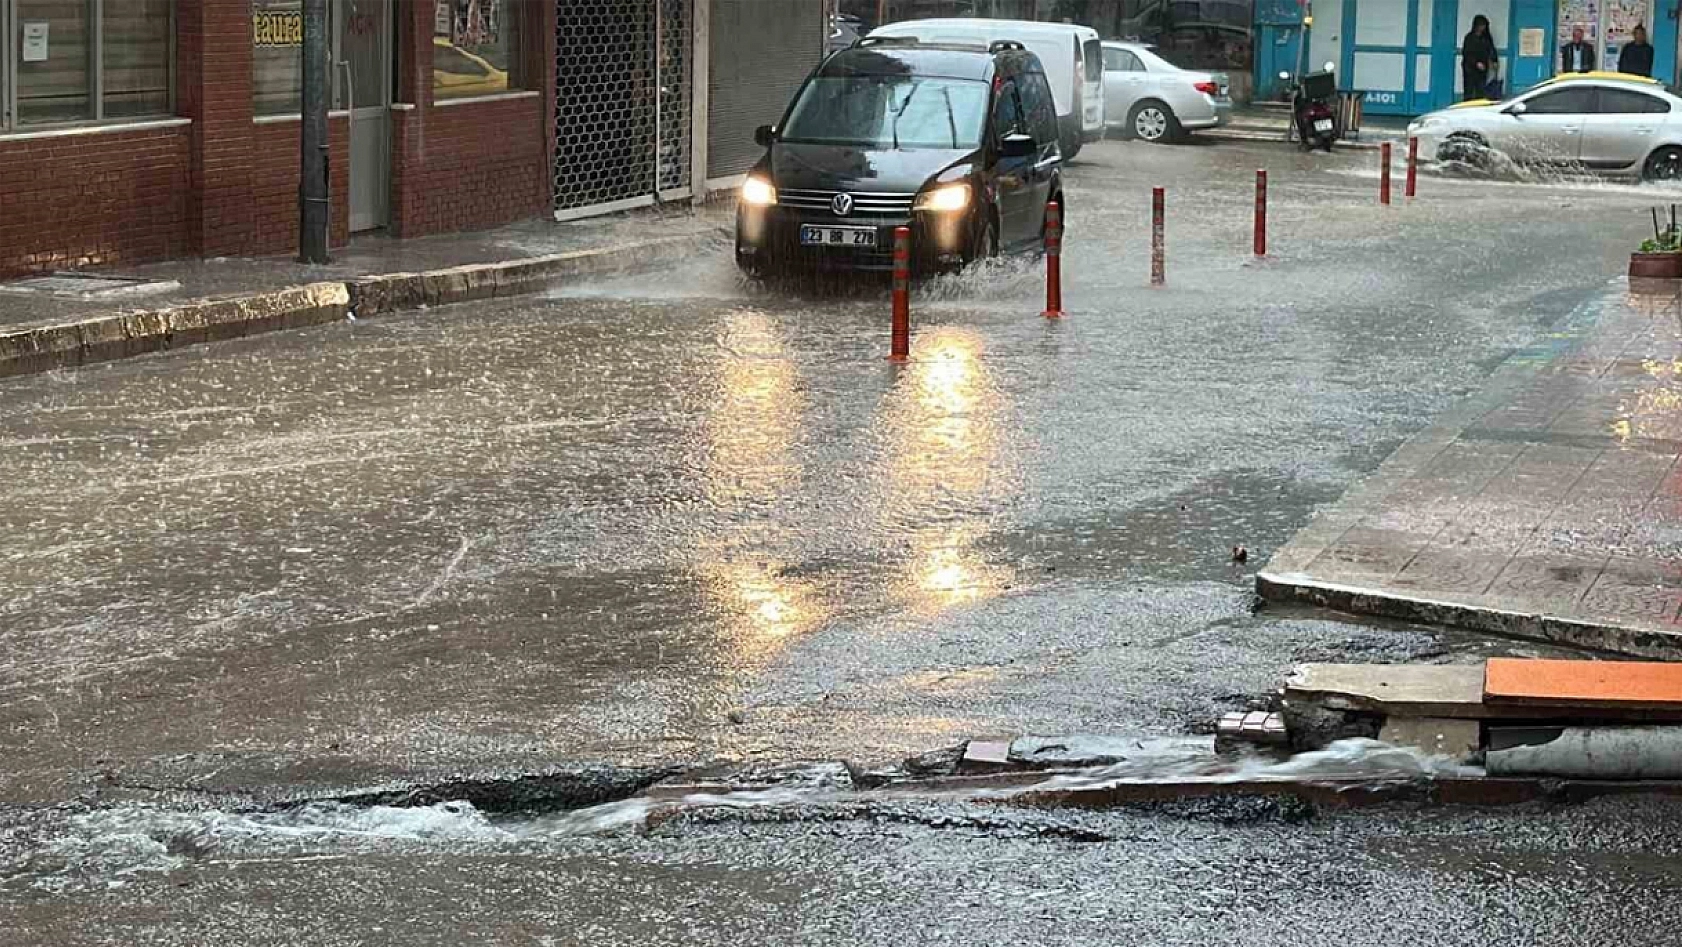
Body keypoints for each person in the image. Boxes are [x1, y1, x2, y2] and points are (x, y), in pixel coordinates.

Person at [1461, 15, 1499, 101]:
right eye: (1481, 25)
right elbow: (1466, 53)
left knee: (1480, 89)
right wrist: (1476, 63)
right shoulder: (1469, 38)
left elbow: (1491, 49)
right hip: (1469, 68)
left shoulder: (1486, 38)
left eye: (1484, 25)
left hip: (1483, 68)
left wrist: (1494, 60)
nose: (1482, 28)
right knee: (1469, 89)